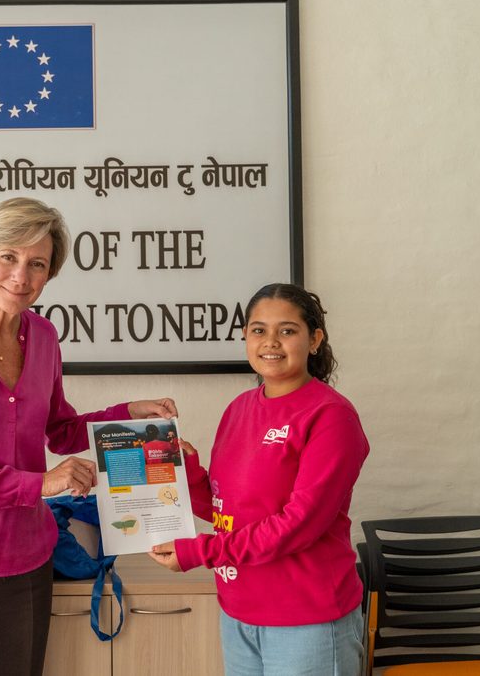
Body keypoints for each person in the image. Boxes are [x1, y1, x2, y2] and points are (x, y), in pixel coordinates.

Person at [0, 197, 177, 676]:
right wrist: (37, 484)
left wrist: (127, 414)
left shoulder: (44, 336)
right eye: (9, 256)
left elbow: (59, 429)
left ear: (49, 274)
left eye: (37, 264)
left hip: (22, 556)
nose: (20, 276)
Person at [149, 283, 369, 676]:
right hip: (239, 612)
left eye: (287, 330)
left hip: (307, 620)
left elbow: (299, 526)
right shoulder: (239, 409)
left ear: (314, 339)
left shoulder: (330, 416)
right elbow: (225, 508)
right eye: (258, 330)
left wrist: (200, 552)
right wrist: (188, 474)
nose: (271, 342)